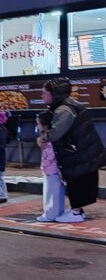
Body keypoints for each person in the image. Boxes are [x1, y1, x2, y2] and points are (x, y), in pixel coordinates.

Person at [37, 77, 106, 223]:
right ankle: (76, 211)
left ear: (55, 94)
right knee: (78, 180)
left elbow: (56, 133)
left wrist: (43, 138)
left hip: (81, 153)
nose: (42, 96)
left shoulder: (64, 109)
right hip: (83, 152)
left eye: (45, 93)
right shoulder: (67, 105)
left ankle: (76, 213)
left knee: (78, 181)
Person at [35, 110, 65, 222]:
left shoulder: (50, 138)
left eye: (38, 124)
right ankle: (57, 212)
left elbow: (50, 154)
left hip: (51, 170)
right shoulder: (52, 136)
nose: (37, 126)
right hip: (54, 170)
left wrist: (44, 165)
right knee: (56, 194)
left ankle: (49, 215)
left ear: (45, 125)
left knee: (51, 194)